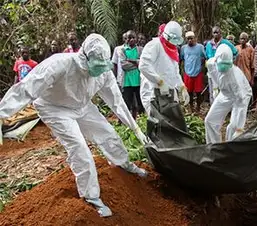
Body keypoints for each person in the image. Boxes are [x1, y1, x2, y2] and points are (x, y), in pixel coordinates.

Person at [0, 34, 149, 218]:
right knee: (80, 149)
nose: (100, 70)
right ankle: (91, 197)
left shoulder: (103, 72)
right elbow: (26, 88)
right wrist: (2, 113)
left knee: (108, 135)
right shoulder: (60, 64)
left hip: (83, 106)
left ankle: (123, 163)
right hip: (54, 108)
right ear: (85, 56)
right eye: (97, 65)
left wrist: (135, 129)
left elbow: (116, 102)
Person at [139, 21, 190, 115]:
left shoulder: (174, 50)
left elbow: (175, 72)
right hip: (153, 91)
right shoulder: (155, 45)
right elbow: (143, 65)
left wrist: (182, 87)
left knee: (171, 121)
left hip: (169, 92)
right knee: (157, 122)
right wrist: (159, 81)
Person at [205, 44, 252, 144]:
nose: (223, 67)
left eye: (227, 64)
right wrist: (215, 88)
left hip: (239, 97)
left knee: (233, 128)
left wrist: (239, 127)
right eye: (221, 64)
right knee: (210, 120)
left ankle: (229, 151)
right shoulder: (211, 64)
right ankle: (214, 148)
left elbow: (241, 103)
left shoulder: (235, 78)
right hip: (224, 93)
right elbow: (213, 75)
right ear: (216, 60)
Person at [205, 26, 238, 105]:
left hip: (223, 71)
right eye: (214, 33)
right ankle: (213, 108)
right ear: (212, 34)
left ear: (220, 33)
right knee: (213, 90)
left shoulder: (225, 43)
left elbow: (235, 52)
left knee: (224, 90)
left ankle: (224, 109)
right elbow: (207, 57)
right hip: (212, 72)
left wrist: (230, 62)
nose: (216, 34)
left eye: (217, 32)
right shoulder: (209, 44)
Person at [120, 30, 144, 119]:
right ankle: (126, 122)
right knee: (126, 104)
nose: (131, 40)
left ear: (136, 39)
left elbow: (143, 63)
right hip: (127, 82)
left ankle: (142, 120)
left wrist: (131, 60)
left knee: (140, 103)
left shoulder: (140, 50)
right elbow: (124, 65)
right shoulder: (122, 50)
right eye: (129, 38)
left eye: (133, 37)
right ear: (126, 39)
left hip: (138, 81)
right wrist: (137, 63)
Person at [180, 31, 206, 113]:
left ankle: (198, 107)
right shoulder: (183, 48)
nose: (190, 40)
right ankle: (191, 107)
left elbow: (205, 57)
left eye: (191, 38)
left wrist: (202, 67)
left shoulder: (200, 47)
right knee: (189, 92)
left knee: (198, 92)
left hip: (198, 73)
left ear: (195, 38)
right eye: (188, 39)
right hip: (187, 73)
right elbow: (181, 59)